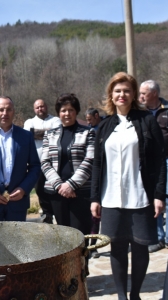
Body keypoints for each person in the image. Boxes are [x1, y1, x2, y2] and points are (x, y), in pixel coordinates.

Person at [91, 72, 166, 300]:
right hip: (111, 198)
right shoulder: (104, 127)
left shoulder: (146, 121)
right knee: (117, 248)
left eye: (126, 90)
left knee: (141, 247)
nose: (121, 94)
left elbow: (159, 159)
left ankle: (135, 294)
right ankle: (122, 296)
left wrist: (159, 194)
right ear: (111, 96)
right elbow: (97, 165)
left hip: (140, 196)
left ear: (133, 94)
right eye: (117, 91)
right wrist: (95, 198)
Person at [41, 93, 94, 236]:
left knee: (81, 237)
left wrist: (71, 185)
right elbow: (45, 162)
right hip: (57, 194)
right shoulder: (49, 135)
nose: (67, 114)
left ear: (76, 111)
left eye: (70, 110)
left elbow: (90, 161)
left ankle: (83, 260)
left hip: (80, 193)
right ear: (58, 113)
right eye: (63, 110)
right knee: (64, 238)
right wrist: (59, 185)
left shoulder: (88, 133)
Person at [139, 79, 168, 253]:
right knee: (153, 198)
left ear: (154, 94)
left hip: (167, 159)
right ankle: (157, 237)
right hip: (148, 162)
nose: (140, 96)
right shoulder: (139, 113)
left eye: (144, 93)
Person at [23, 99, 61, 223]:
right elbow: (28, 135)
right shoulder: (29, 122)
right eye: (37, 107)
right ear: (34, 109)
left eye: (42, 106)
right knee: (40, 189)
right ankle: (47, 213)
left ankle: (56, 212)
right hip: (36, 163)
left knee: (54, 188)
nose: (40, 109)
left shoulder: (55, 120)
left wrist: (36, 133)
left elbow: (58, 133)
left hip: (53, 163)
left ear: (47, 106)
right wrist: (48, 132)